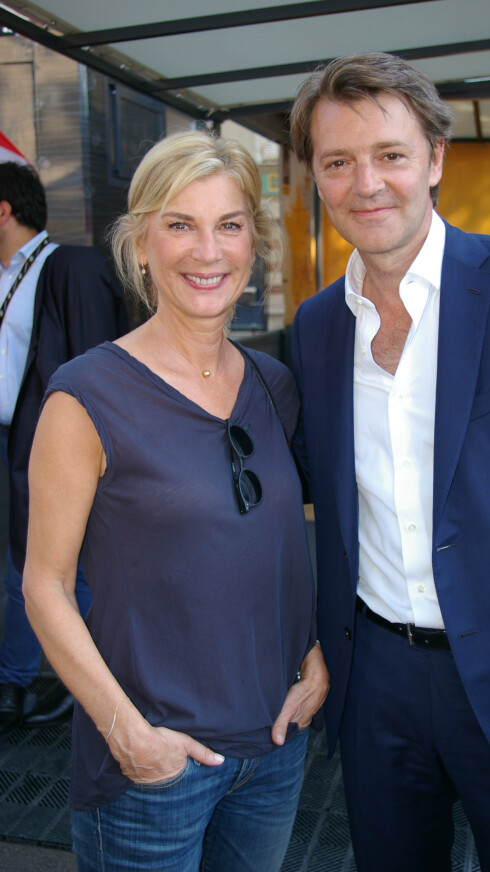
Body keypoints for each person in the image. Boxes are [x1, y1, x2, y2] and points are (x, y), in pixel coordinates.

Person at [289, 52, 490, 871]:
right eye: (338, 162)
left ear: (436, 159)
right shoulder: (315, 328)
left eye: (390, 155)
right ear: (315, 177)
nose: (366, 183)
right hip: (375, 679)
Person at [22, 129, 329, 872]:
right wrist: (125, 731)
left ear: (253, 246)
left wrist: (312, 651)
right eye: (179, 225)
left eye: (228, 225)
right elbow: (45, 585)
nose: (207, 251)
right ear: (141, 243)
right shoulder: (86, 395)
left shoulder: (272, 384)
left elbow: (270, 543)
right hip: (153, 765)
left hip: (276, 749)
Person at [0, 160, 128, 730]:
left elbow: (101, 366)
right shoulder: (6, 276)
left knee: (62, 562)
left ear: (4, 211)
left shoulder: (68, 267)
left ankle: (84, 682)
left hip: (52, 447)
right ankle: (18, 678)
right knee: (20, 565)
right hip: (10, 445)